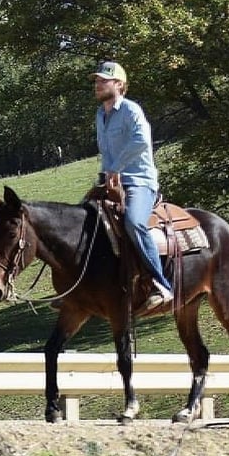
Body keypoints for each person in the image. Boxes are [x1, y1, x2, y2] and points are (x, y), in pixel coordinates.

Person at [90, 60, 173, 314]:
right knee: (82, 220)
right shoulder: (100, 115)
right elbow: (105, 152)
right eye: (97, 81)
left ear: (119, 84)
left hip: (139, 181)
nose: (98, 85)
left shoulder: (131, 110)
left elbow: (140, 141)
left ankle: (161, 285)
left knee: (134, 222)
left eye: (103, 80)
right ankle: (81, 290)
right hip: (112, 180)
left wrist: (116, 167)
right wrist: (105, 177)